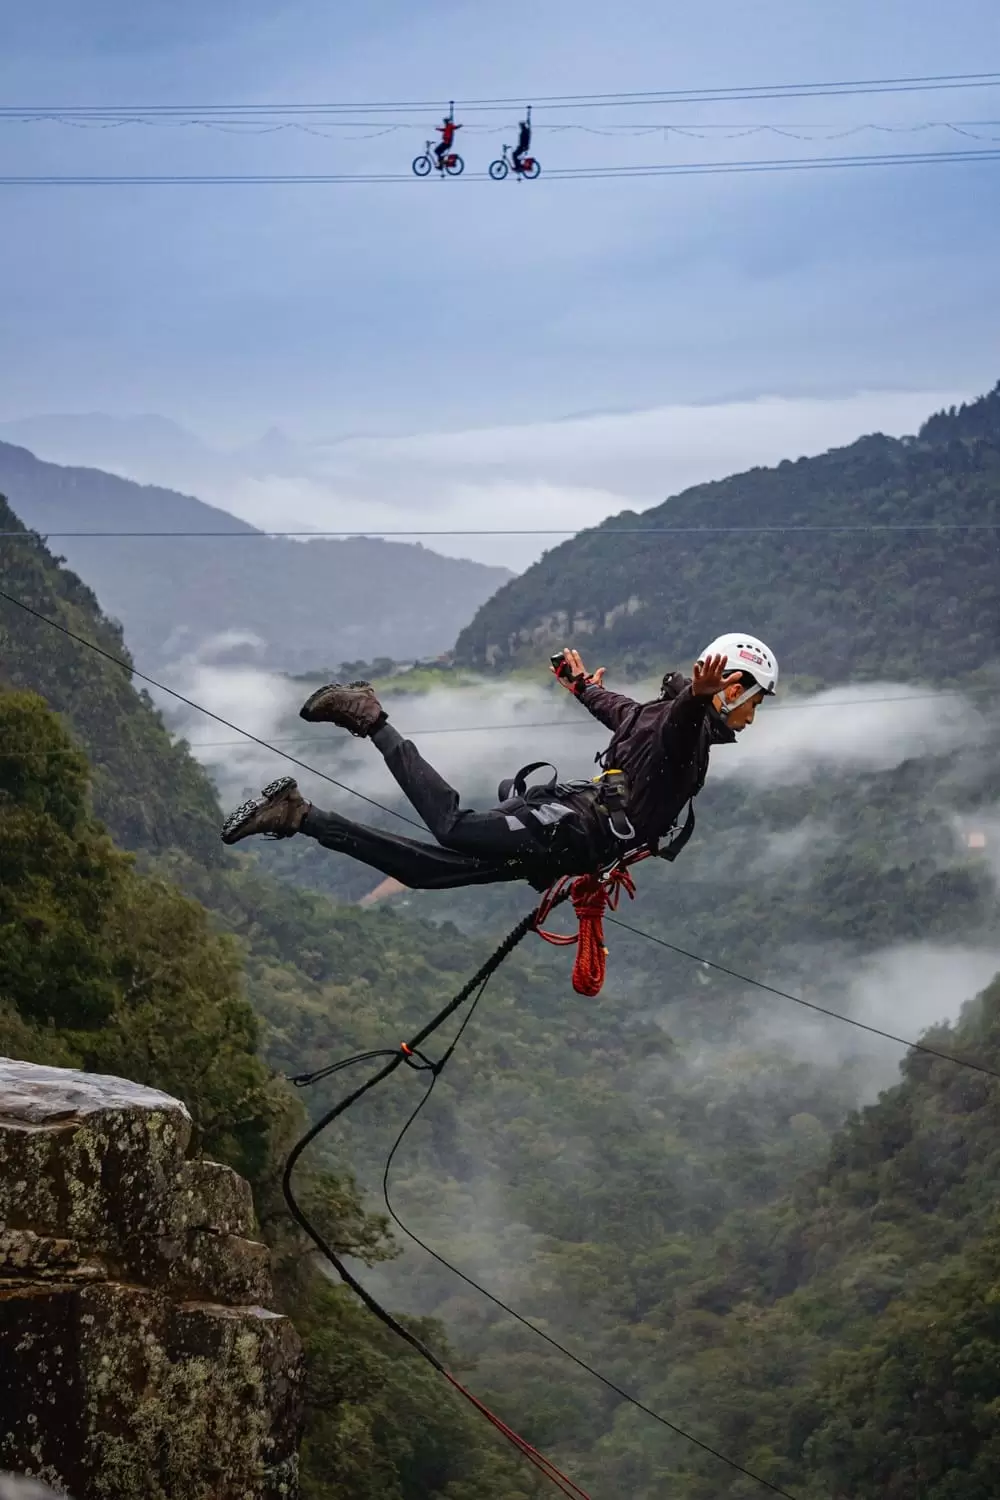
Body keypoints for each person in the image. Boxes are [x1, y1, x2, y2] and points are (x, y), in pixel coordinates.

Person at [220, 634, 778, 891]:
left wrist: (581, 686)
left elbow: (619, 711)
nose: (752, 718)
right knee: (452, 826)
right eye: (752, 702)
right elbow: (680, 727)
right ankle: (369, 716)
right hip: (569, 828)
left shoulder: (652, 717)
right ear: (730, 690)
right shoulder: (685, 732)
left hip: (572, 846)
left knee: (425, 872)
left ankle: (298, 815)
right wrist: (696, 699)